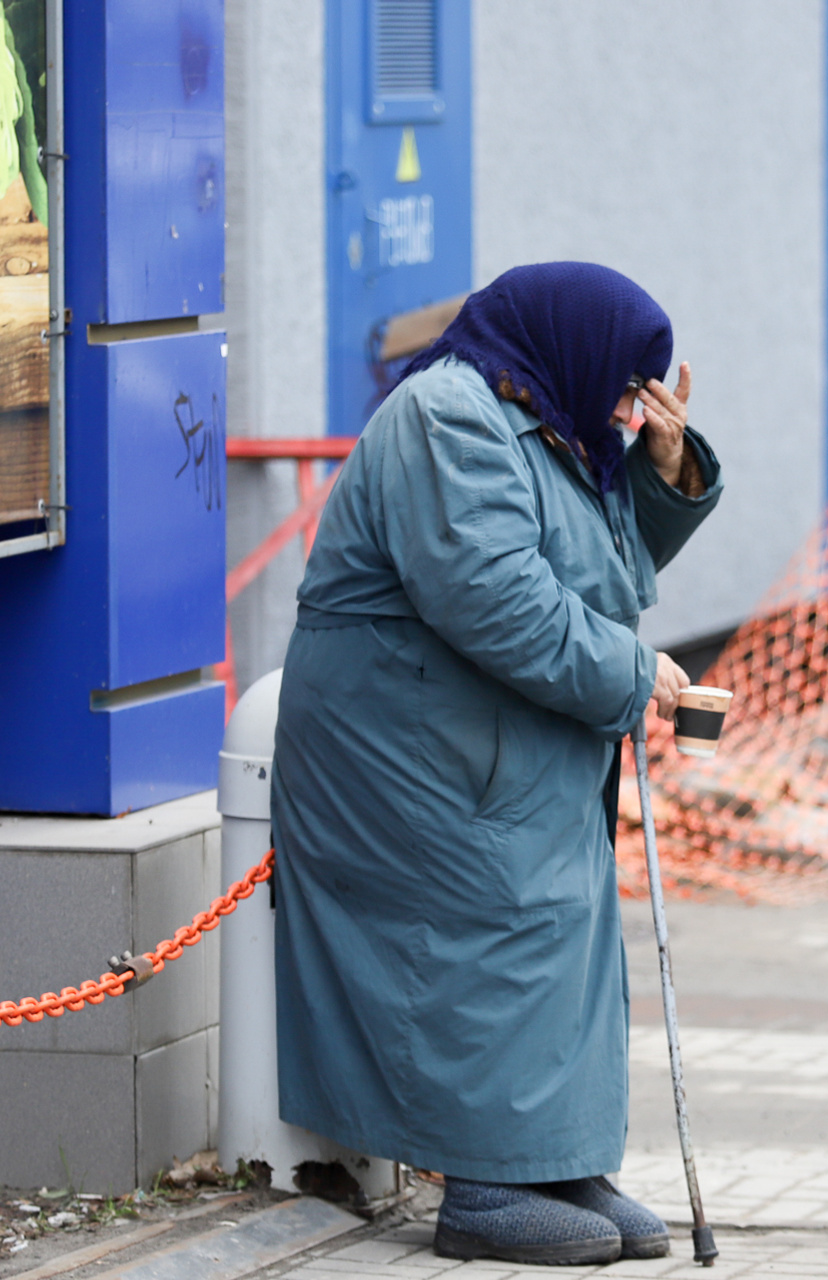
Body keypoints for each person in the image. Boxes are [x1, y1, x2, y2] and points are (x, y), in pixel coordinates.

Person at [269, 263, 723, 1266]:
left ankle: (555, 1155)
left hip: (481, 726)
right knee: (488, 914)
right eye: (623, 381)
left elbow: (605, 571)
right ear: (567, 345)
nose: (624, 403)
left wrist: (663, 459)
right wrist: (631, 667)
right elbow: (497, 599)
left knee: (564, 914)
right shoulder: (448, 417)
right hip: (401, 744)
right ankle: (479, 1179)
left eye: (638, 388)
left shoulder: (559, 423)